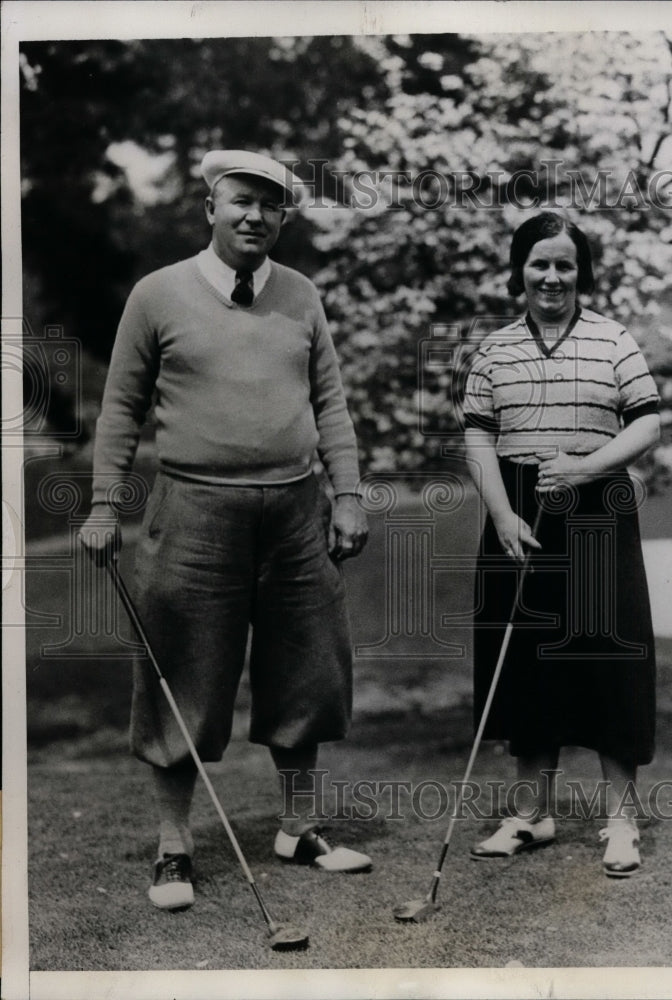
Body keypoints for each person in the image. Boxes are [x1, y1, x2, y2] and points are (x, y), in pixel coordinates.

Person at [80, 150, 372, 911]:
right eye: (241, 201)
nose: (255, 217)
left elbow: (331, 404)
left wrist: (347, 496)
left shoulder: (302, 295)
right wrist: (104, 505)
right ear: (210, 207)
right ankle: (174, 848)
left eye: (270, 206)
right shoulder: (158, 294)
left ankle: (299, 827)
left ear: (283, 217)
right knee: (183, 673)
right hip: (194, 511)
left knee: (309, 669)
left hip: (295, 509)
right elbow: (119, 410)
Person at [462, 211, 660, 878]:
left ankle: (620, 821)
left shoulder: (613, 339)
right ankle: (530, 815)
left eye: (563, 265)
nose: (551, 276)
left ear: (581, 272)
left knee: (609, 657)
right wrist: (498, 513)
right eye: (538, 263)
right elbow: (477, 437)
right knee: (523, 662)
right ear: (519, 269)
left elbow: (648, 423)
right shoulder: (493, 348)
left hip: (595, 503)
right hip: (515, 508)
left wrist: (585, 466)